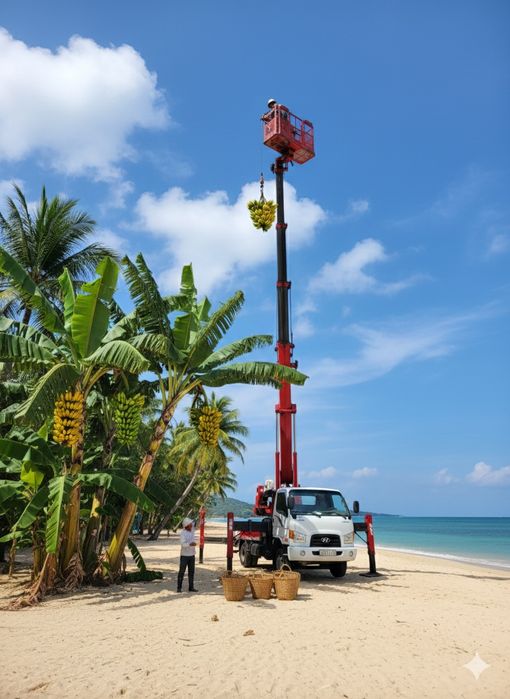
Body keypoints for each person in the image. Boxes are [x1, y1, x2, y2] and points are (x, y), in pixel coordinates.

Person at [177, 517, 198, 592]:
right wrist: (190, 544)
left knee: (191, 572)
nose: (192, 525)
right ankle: (179, 588)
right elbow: (183, 544)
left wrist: (201, 514)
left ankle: (191, 587)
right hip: (184, 555)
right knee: (181, 572)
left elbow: (195, 522)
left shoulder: (192, 530)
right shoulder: (183, 533)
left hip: (192, 555)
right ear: (186, 525)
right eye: (190, 524)